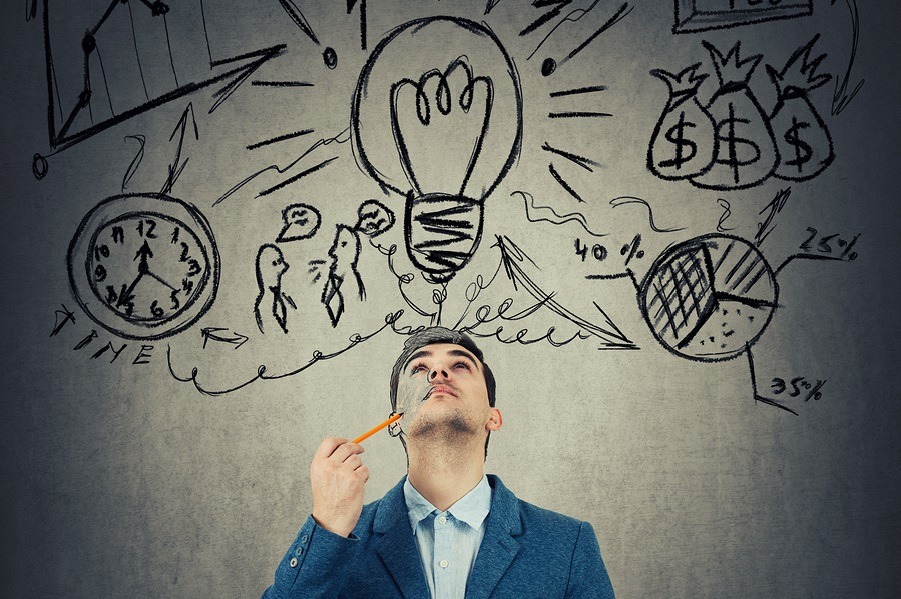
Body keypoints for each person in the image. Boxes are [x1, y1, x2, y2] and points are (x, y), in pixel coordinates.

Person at [261, 327, 615, 598]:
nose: (438, 374)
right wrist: (328, 525)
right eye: (420, 368)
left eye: (459, 365)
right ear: (396, 420)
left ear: (494, 416)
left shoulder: (568, 544)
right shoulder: (339, 539)